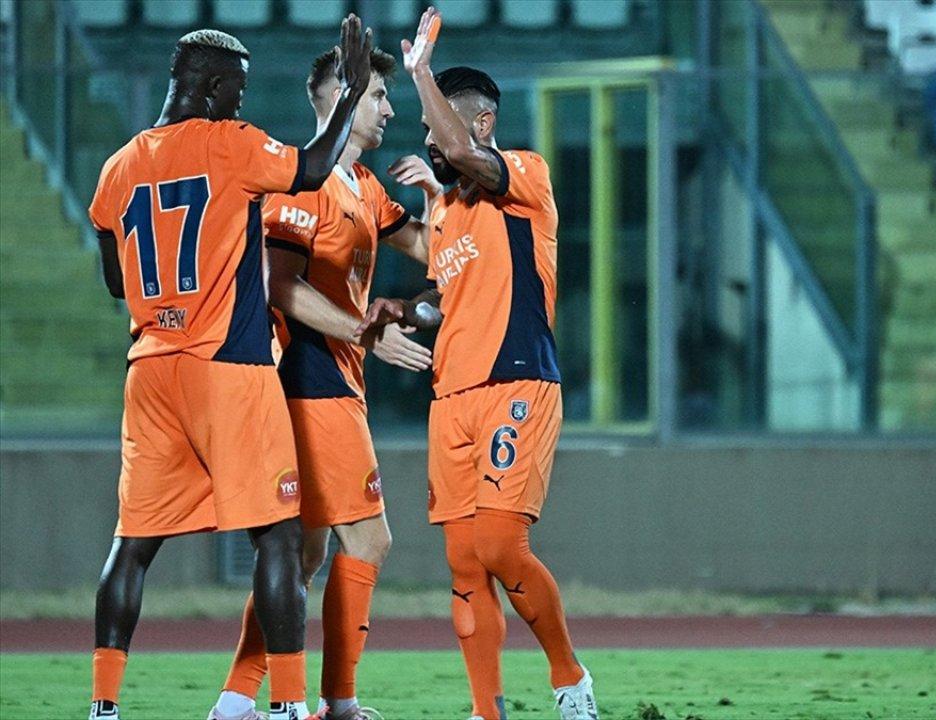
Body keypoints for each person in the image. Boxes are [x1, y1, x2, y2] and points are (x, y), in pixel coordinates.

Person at [86, 18, 372, 720]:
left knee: (132, 545)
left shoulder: (118, 166)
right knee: (278, 535)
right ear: (212, 86)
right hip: (228, 365)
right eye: (236, 90)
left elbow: (116, 281)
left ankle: (103, 706)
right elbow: (311, 169)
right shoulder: (229, 144)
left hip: (152, 369)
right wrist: (350, 94)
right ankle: (286, 706)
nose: (240, 102)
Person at [356, 8, 596, 720]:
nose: (428, 139)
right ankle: (486, 711)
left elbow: (463, 154)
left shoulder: (524, 175)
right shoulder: (448, 214)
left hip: (517, 381)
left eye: (438, 126)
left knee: (499, 542)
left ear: (481, 122)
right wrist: (405, 310)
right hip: (451, 398)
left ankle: (569, 678)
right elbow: (446, 297)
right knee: (464, 565)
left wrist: (421, 72)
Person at [208, 47, 437, 720]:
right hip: (308, 379)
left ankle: (234, 702)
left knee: (303, 552)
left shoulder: (363, 185)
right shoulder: (300, 185)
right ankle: (338, 702)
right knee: (368, 540)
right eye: (376, 96)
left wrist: (436, 192)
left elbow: (433, 247)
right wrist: (365, 332)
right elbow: (280, 286)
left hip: (336, 377)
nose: (389, 109)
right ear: (337, 100)